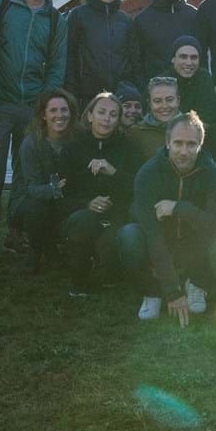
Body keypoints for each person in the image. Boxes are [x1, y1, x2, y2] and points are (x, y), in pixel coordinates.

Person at [0, 0, 68, 262]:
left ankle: (16, 231)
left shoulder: (55, 19)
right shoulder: (2, 4)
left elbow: (57, 64)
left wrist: (44, 99)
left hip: (31, 105)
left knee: (24, 173)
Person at [117, 112, 216, 326]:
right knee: (129, 236)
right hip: (161, 244)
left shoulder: (213, 173)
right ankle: (152, 290)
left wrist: (181, 208)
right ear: (167, 143)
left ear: (200, 145)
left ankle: (198, 282)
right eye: (178, 143)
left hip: (195, 247)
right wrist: (172, 292)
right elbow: (152, 234)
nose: (184, 151)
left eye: (191, 144)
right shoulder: (148, 173)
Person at [57, 92, 137, 297]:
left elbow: (138, 186)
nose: (106, 118)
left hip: (117, 214)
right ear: (90, 115)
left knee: (111, 242)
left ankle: (113, 271)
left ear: (118, 120)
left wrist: (114, 172)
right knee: (83, 222)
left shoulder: (128, 147)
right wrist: (87, 203)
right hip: (81, 214)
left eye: (113, 114)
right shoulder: (72, 148)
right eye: (101, 112)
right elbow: (62, 195)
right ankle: (79, 282)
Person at [13, 89, 75, 272]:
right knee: (37, 207)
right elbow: (32, 187)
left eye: (64, 110)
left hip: (70, 197)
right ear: (43, 115)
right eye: (53, 110)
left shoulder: (78, 139)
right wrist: (55, 189)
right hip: (35, 200)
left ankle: (56, 247)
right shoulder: (31, 143)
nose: (59, 115)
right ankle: (37, 248)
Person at [65, 0, 135, 104]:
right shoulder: (78, 16)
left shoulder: (126, 21)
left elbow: (134, 60)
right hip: (85, 96)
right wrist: (71, 92)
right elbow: (68, 55)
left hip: (119, 96)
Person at [131, 0, 198, 80]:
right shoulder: (141, 20)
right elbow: (136, 63)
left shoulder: (194, 15)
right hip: (157, 89)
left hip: (190, 87)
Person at [122, 76, 179, 163]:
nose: (164, 106)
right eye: (157, 101)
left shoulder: (192, 128)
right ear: (149, 104)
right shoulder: (136, 133)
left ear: (178, 101)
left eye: (169, 100)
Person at [165, 36, 216, 119]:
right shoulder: (162, 81)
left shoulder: (204, 77)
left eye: (194, 57)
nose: (189, 62)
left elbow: (209, 115)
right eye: (183, 57)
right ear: (173, 59)